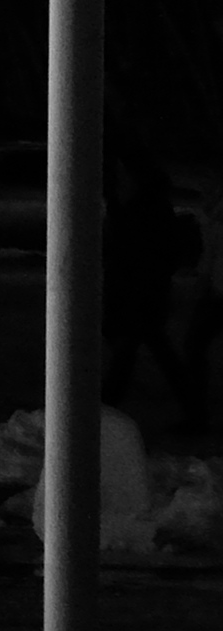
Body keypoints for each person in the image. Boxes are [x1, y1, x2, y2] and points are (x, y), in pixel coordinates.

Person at [102, 137, 206, 430]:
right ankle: (195, 413)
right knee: (153, 352)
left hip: (142, 291)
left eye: (123, 169)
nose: (119, 174)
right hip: (136, 290)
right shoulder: (132, 202)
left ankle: (101, 413)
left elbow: (152, 253)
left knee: (130, 354)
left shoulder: (148, 205)